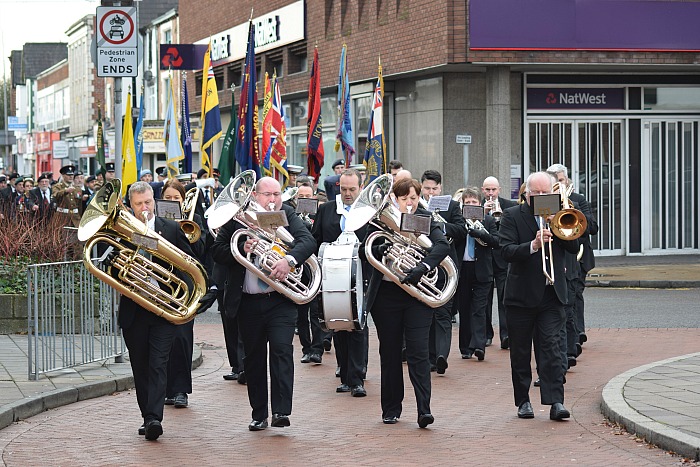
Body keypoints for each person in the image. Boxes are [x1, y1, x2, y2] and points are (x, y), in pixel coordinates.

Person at [212, 176, 316, 431]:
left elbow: (307, 241)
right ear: (254, 196)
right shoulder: (237, 218)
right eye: (267, 195)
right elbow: (216, 250)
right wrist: (240, 246)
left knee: (282, 351)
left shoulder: (288, 214)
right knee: (254, 359)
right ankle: (259, 414)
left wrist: (289, 260)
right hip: (248, 302)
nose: (273, 200)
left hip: (280, 300)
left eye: (277, 194)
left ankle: (281, 411)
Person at [109, 182, 200, 440]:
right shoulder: (122, 232)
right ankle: (147, 415)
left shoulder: (170, 228)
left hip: (163, 310)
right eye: (139, 204)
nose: (145, 208)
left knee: (159, 363)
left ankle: (154, 418)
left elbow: (189, 264)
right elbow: (111, 269)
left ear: (154, 200)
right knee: (141, 365)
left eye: (148, 202)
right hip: (135, 310)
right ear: (130, 205)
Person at [361, 177, 450, 428]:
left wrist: (423, 266)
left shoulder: (426, 218)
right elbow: (363, 250)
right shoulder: (380, 220)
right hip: (387, 296)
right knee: (389, 352)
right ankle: (391, 408)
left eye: (414, 198)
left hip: (416, 295)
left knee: (418, 352)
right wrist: (377, 249)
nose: (410, 203)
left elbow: (442, 245)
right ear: (394, 199)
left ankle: (424, 408)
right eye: (404, 199)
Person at [498, 171, 579, 421]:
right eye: (538, 193)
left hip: (551, 293)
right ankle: (523, 401)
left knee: (553, 348)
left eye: (547, 193)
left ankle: (556, 401)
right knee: (520, 352)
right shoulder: (513, 215)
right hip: (521, 296)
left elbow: (574, 247)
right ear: (527, 194)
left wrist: (558, 226)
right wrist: (533, 245)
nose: (543, 196)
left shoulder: (560, 214)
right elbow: (506, 251)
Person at [312, 169, 369, 397]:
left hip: (361, 275)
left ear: (360, 188)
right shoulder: (326, 209)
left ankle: (357, 378)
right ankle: (345, 375)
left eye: (352, 189)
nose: (347, 193)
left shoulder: (368, 211)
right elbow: (316, 240)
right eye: (343, 189)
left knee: (357, 325)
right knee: (337, 323)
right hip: (332, 276)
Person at [160, 179, 207, 409]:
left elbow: (201, 252)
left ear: (183, 200)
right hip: (160, 282)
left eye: (175, 198)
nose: (171, 202)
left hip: (185, 285)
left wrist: (183, 228)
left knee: (182, 337)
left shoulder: (194, 221)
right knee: (161, 338)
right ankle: (166, 389)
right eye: (167, 198)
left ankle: (180, 390)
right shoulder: (154, 222)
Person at [545, 164, 598, 347]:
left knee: (575, 295)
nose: (559, 184)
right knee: (563, 298)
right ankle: (571, 338)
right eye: (555, 181)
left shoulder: (578, 199)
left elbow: (593, 228)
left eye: (561, 180)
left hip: (579, 256)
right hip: (558, 257)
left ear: (566, 180)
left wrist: (573, 211)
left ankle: (579, 331)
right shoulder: (547, 202)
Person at [420, 170, 467, 375]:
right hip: (423, 263)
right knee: (426, 311)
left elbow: (461, 229)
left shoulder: (453, 206)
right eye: (427, 188)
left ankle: (441, 355)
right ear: (422, 187)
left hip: (447, 265)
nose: (431, 193)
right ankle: (429, 356)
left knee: (443, 311)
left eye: (435, 189)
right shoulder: (416, 206)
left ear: (441, 188)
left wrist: (442, 226)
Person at [457, 188, 499, 361]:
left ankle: (479, 345)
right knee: (465, 308)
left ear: (480, 204)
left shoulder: (488, 220)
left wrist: (481, 233)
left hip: (482, 269)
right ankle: (466, 347)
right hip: (463, 268)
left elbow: (497, 242)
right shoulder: (458, 221)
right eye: (468, 202)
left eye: (474, 202)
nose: (471, 204)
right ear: (463, 204)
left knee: (479, 309)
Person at [481, 176, 518, 349]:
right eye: (487, 190)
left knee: (505, 298)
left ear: (499, 190)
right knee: (484, 300)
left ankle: (506, 335)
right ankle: (486, 335)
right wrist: (484, 213)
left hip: (503, 259)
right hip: (485, 259)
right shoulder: (476, 206)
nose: (490, 193)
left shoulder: (509, 206)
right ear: (483, 190)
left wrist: (500, 216)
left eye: (493, 190)